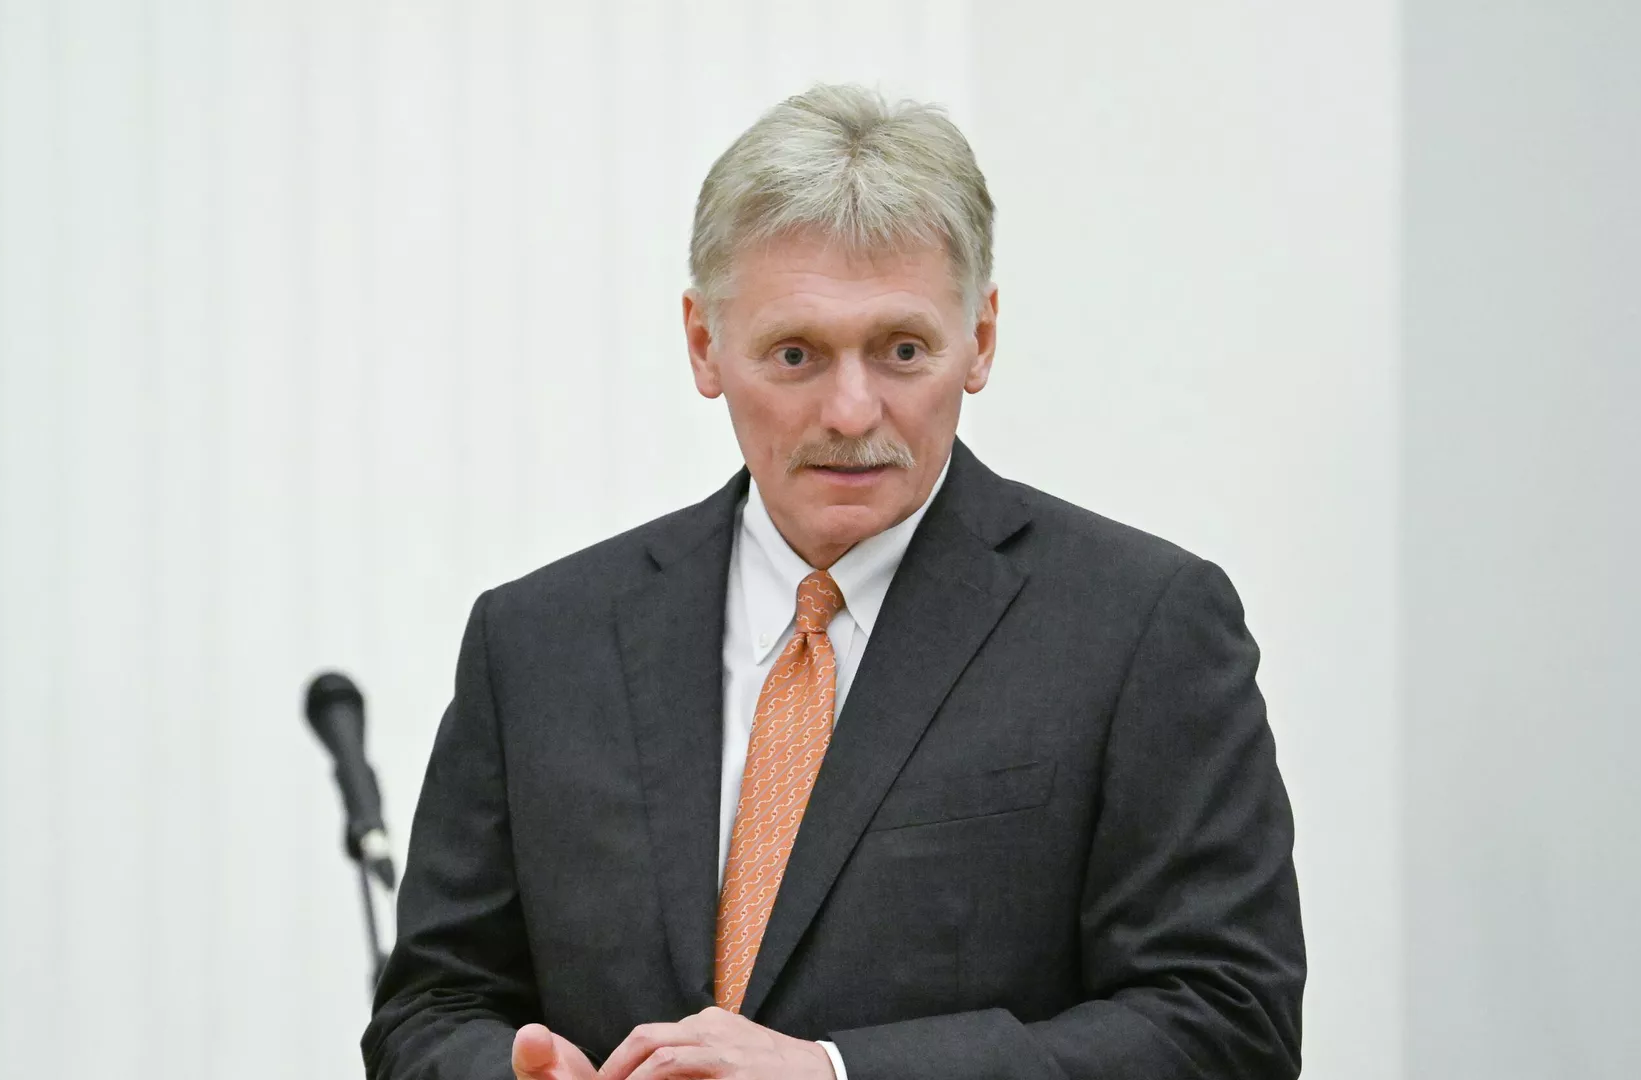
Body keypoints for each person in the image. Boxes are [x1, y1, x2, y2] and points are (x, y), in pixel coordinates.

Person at [362, 83, 1305, 1080]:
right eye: (797, 354)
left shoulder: (1140, 628)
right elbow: (431, 1009)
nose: (852, 411)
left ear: (980, 338)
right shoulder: (540, 642)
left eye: (901, 350)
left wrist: (834, 1073)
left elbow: (1225, 1025)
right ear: (704, 344)